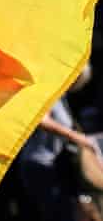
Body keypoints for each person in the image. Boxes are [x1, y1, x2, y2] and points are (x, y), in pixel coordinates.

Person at [17, 66, 98, 221]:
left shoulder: (61, 97)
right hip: (38, 163)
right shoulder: (49, 93)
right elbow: (42, 120)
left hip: (52, 164)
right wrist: (76, 137)